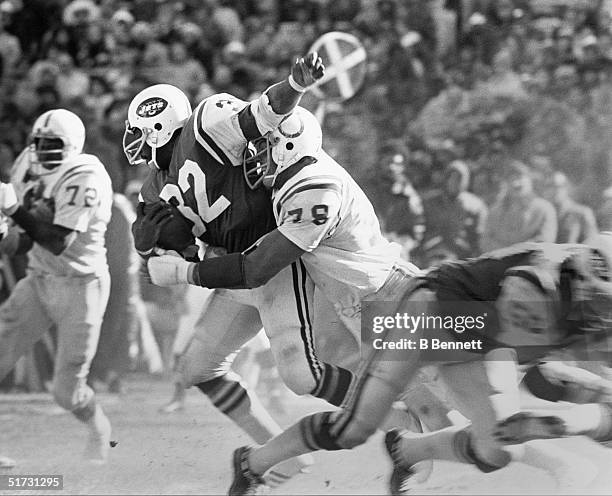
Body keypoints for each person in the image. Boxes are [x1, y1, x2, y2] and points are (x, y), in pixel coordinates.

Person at [145, 111, 612, 495]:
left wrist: (187, 269)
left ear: (290, 148)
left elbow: (256, 265)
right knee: (411, 412)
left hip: (395, 300)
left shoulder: (311, 188)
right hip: (363, 307)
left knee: (458, 408)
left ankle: (544, 461)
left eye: (267, 148)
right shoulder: (290, 179)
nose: (257, 157)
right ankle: (273, 461)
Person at [126, 53, 371, 485]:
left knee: (301, 373)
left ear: (159, 125)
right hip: (231, 267)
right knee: (197, 367)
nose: (135, 143)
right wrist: (155, 246)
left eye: (140, 132)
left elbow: (263, 112)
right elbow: (167, 258)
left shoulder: (204, 127)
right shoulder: (153, 185)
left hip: (270, 257)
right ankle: (283, 457)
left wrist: (295, 86)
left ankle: (400, 417)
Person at [0, 109, 114, 463]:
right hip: (38, 280)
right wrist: (4, 234)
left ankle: (99, 429)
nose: (43, 149)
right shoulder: (26, 166)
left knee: (66, 392)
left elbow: (57, 241)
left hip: (82, 286)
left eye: (53, 143)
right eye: (39, 142)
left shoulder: (86, 175)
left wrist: (15, 211)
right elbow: (23, 242)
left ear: (73, 146)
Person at [481, 161, 557, 251]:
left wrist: (513, 252)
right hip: (498, 261)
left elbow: (545, 241)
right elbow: (485, 241)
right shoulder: (495, 211)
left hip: (531, 261)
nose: (515, 183)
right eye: (510, 179)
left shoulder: (544, 209)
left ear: (530, 181)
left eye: (520, 178)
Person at [544, 171, 598, 244]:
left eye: (558, 186)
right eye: (549, 186)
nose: (554, 190)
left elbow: (593, 244)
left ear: (566, 188)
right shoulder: (544, 215)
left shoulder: (582, 213)